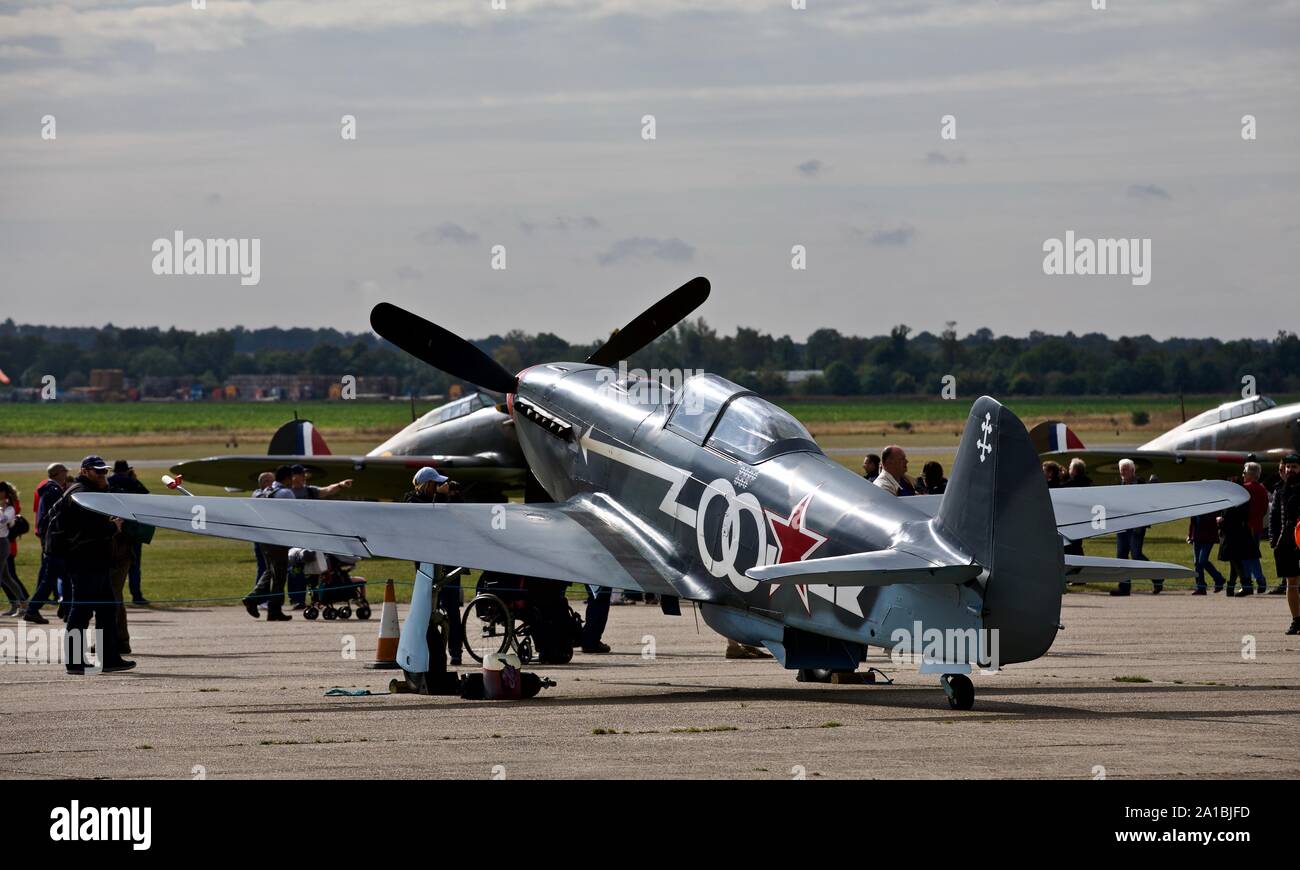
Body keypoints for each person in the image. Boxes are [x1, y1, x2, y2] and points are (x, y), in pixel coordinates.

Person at [48, 457, 134, 673]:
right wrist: (113, 527)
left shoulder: (86, 491)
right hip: (84, 562)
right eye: (98, 472)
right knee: (81, 611)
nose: (103, 475)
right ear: (85, 472)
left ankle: (109, 659)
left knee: (107, 610)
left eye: (105, 471)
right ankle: (75, 662)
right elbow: (88, 529)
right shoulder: (81, 494)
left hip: (96, 561)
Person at [402, 467, 465, 664]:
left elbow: (459, 518)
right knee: (427, 610)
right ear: (428, 484)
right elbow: (429, 519)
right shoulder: (412, 501)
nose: (441, 487)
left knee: (453, 609)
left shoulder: (444, 500)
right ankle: (430, 650)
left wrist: (454, 497)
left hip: (449, 560)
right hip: (426, 564)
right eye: (437, 484)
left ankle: (456, 652)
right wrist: (442, 498)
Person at [286, 465, 354, 608]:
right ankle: (297, 599)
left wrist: (340, 485)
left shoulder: (310, 490)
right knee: (296, 568)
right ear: (293, 476)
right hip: (292, 535)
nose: (304, 476)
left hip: (311, 534)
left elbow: (327, 490)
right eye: (301, 474)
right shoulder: (287, 492)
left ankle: (316, 598)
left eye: (304, 474)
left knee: (315, 566)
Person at [242, 465, 295, 621]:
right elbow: (296, 513)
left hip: (264, 537)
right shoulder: (286, 493)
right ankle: (272, 609)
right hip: (278, 537)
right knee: (279, 575)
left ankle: (255, 600)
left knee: (271, 571)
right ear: (287, 478)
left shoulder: (259, 493)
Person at [25, 464, 69, 624]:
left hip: (52, 540)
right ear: (58, 473)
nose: (66, 475)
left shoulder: (49, 489)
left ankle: (67, 609)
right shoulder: (54, 490)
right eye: (65, 472)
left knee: (65, 576)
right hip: (56, 542)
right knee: (50, 579)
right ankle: (32, 609)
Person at [107, 460, 150, 604]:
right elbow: (146, 495)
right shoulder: (131, 482)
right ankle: (136, 596)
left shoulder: (108, 481)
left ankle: (111, 596)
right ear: (126, 470)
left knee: (110, 565)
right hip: (131, 529)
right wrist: (134, 479)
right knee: (134, 565)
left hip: (112, 528)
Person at [1112, 458, 1154, 596]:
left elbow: (1147, 503)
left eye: (1125, 469)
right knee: (1121, 556)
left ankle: (1157, 577)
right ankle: (1124, 587)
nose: (1122, 472)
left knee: (1136, 555)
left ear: (1132, 471)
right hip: (1122, 525)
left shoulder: (1141, 484)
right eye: (1121, 469)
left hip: (1137, 524)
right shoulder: (1118, 485)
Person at [1270, 453, 1300, 634]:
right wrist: (1274, 540)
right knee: (1291, 582)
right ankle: (1296, 620)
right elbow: (1274, 517)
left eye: (1295, 467)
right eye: (1288, 467)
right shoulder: (1279, 489)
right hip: (1286, 543)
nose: (1291, 470)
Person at [1236, 463, 1270, 595]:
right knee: (1253, 555)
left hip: (1246, 527)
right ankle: (1260, 581)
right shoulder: (1262, 488)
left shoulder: (1245, 488)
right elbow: (1264, 509)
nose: (1243, 474)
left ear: (1250, 474)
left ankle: (1248, 584)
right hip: (1257, 526)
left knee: (1246, 557)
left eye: (1244, 472)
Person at [0, 481, 28, 617]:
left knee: (4, 577)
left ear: (4, 493)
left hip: (2, 544)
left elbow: (4, 520)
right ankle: (23, 604)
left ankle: (22, 604)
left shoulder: (9, 509)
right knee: (6, 578)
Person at [1187, 511, 1226, 594]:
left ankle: (1219, 579)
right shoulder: (1196, 504)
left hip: (1209, 537)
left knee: (1202, 560)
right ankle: (1201, 587)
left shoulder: (1212, 505)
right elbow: (1193, 521)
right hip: (1197, 536)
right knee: (1197, 562)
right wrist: (1190, 535)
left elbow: (1216, 520)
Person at [1269, 459, 1292, 595]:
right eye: (1280, 470)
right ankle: (1284, 583)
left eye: (1282, 470)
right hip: (1281, 532)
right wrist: (1273, 536)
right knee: (1283, 560)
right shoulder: (1278, 488)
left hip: (1293, 532)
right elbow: (1274, 515)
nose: (1281, 473)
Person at [1061, 459, 1091, 558]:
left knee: (1071, 545)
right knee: (1077, 544)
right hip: (1083, 518)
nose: (1068, 470)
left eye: (1070, 468)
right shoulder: (1088, 482)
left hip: (1071, 519)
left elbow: (1061, 487)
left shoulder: (1071, 484)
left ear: (1075, 471)